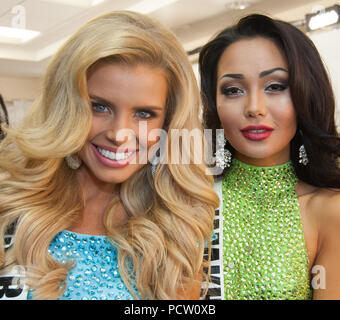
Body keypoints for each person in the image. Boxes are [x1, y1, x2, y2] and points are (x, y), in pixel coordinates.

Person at [0, 10, 219, 300]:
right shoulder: (12, 204)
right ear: (66, 107)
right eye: (100, 107)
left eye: (144, 113)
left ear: (168, 122)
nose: (119, 133)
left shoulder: (179, 228)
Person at [199, 14, 340, 300]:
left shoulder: (328, 211)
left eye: (275, 86)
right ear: (215, 103)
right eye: (233, 90)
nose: (254, 108)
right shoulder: (191, 200)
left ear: (306, 94)